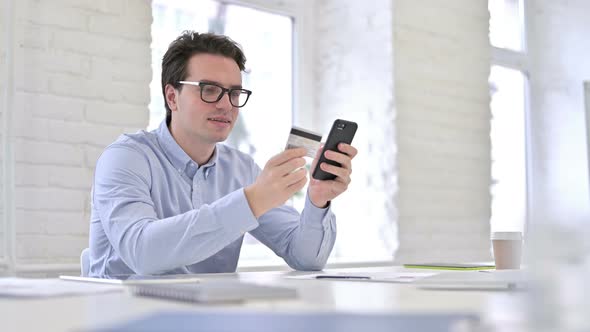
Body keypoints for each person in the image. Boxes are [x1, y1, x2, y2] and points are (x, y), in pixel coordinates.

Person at [88, 31, 357, 276]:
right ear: (172, 97)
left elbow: (306, 258)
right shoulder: (126, 158)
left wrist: (318, 201)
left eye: (234, 93)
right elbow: (142, 252)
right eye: (210, 90)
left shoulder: (241, 169)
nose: (226, 105)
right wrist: (251, 201)